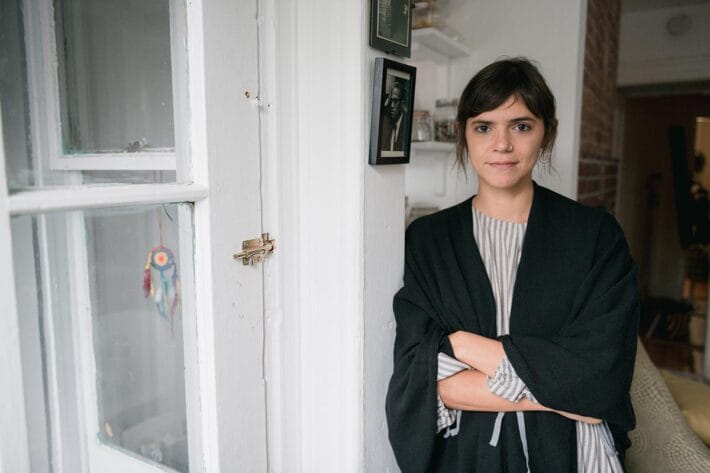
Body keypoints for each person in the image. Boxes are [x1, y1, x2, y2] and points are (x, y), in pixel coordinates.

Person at [386, 58, 639, 472]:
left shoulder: (596, 237)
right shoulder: (427, 241)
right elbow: (420, 376)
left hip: (570, 455)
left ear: (546, 133)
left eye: (521, 126)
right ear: (463, 136)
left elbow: (601, 378)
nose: (501, 144)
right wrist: (563, 393)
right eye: (483, 127)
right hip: (465, 457)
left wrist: (463, 345)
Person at [380, 80, 409, 152]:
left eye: (395, 101)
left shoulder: (406, 126)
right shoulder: (386, 123)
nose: (392, 105)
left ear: (403, 103)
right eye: (391, 101)